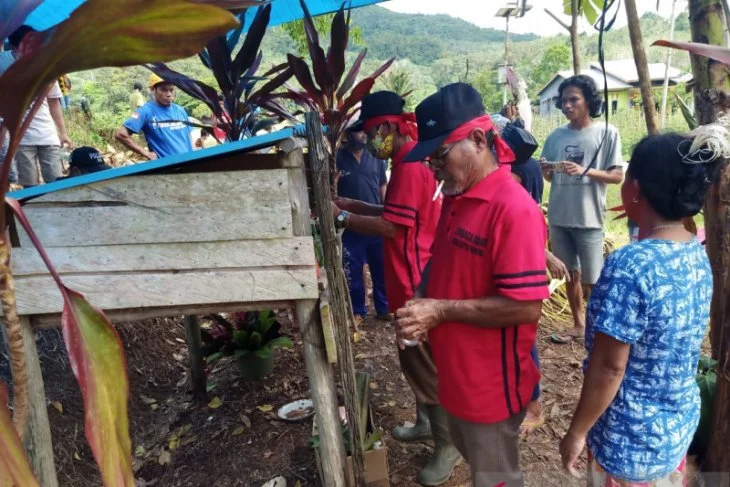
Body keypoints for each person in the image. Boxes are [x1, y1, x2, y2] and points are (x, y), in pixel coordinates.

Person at [396, 83, 550, 487]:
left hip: (490, 389)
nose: (434, 168)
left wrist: (441, 310)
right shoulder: (455, 197)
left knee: (496, 476)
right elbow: (442, 263)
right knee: (475, 460)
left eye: (440, 155)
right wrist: (421, 302)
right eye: (430, 159)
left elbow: (525, 308)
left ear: (479, 140)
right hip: (456, 376)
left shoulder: (513, 209)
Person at [560, 130, 717, 486]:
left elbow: (610, 367)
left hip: (628, 441)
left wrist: (576, 432)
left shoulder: (631, 264)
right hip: (674, 427)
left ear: (634, 188)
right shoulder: (695, 250)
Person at [330, 91, 450, 485]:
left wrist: (343, 216)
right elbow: (395, 212)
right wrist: (351, 203)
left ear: (388, 127)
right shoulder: (409, 160)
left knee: (424, 363)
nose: (370, 139)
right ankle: (423, 422)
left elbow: (393, 228)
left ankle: (446, 445)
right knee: (413, 358)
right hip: (416, 274)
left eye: (371, 131)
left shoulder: (409, 166)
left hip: (414, 278)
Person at [540, 75, 624, 344]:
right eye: (563, 100)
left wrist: (584, 170)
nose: (567, 105)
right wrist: (547, 171)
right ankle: (578, 324)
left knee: (593, 279)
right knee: (569, 273)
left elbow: (616, 176)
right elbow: (551, 178)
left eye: (573, 99)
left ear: (589, 101)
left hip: (589, 217)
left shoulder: (606, 133)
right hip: (559, 215)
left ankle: (599, 328)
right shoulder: (555, 137)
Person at [336, 124, 389, 322]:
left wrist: (387, 211)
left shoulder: (376, 157)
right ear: (348, 134)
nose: (363, 135)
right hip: (350, 225)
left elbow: (382, 185)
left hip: (376, 223)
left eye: (365, 131)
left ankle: (384, 308)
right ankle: (358, 311)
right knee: (353, 270)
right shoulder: (337, 157)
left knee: (381, 268)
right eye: (358, 131)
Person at [7, 26, 73, 187]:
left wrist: (63, 133)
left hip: (47, 134)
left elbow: (53, 102)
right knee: (30, 186)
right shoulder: (3, 64)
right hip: (20, 138)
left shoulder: (46, 66)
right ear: (15, 47)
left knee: (56, 182)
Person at [115, 74, 193, 160]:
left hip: (189, 163)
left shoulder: (180, 110)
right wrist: (146, 153)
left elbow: (189, 137)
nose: (169, 94)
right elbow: (120, 134)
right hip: (168, 168)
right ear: (153, 90)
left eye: (171, 90)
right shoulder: (145, 111)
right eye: (163, 90)